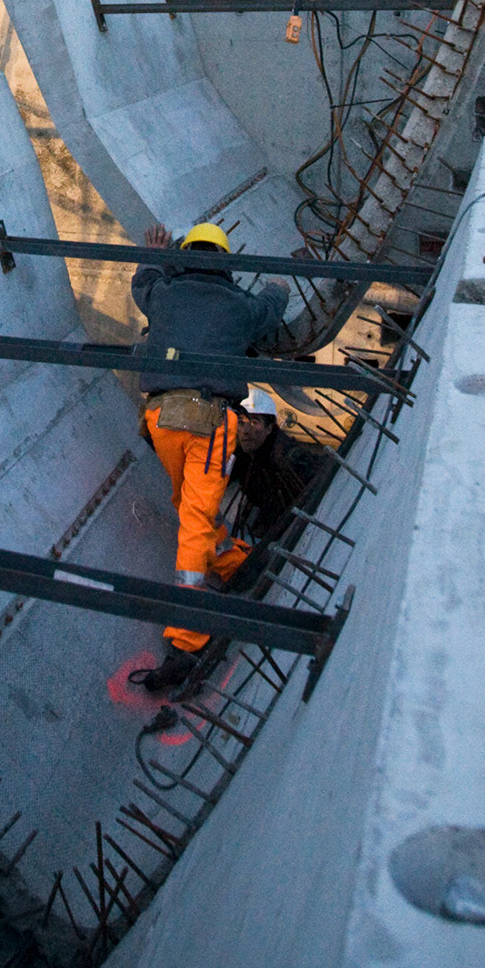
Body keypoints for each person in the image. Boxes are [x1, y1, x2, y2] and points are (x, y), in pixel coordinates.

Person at [131, 220, 289, 693]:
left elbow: (142, 284)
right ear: (225, 263)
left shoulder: (164, 294)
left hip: (161, 420)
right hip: (210, 422)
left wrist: (155, 253)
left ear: (186, 255)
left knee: (188, 505)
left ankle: (232, 563)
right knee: (196, 516)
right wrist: (277, 284)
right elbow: (269, 310)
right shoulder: (239, 306)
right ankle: (188, 639)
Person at [229, 387, 326, 544]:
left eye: (254, 422)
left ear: (269, 428)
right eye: (241, 422)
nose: (246, 431)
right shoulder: (242, 458)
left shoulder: (289, 459)